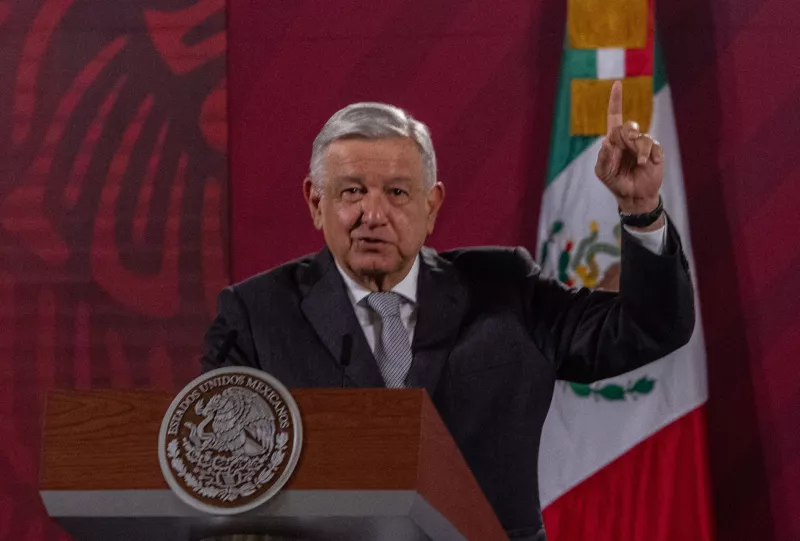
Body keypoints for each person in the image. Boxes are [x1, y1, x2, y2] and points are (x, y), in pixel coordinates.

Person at [201, 81, 695, 540]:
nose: (373, 215)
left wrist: (641, 210)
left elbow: (648, 329)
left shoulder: (506, 287)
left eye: (397, 192)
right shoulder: (256, 314)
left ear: (432, 205)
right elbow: (215, 472)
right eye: (352, 191)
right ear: (315, 201)